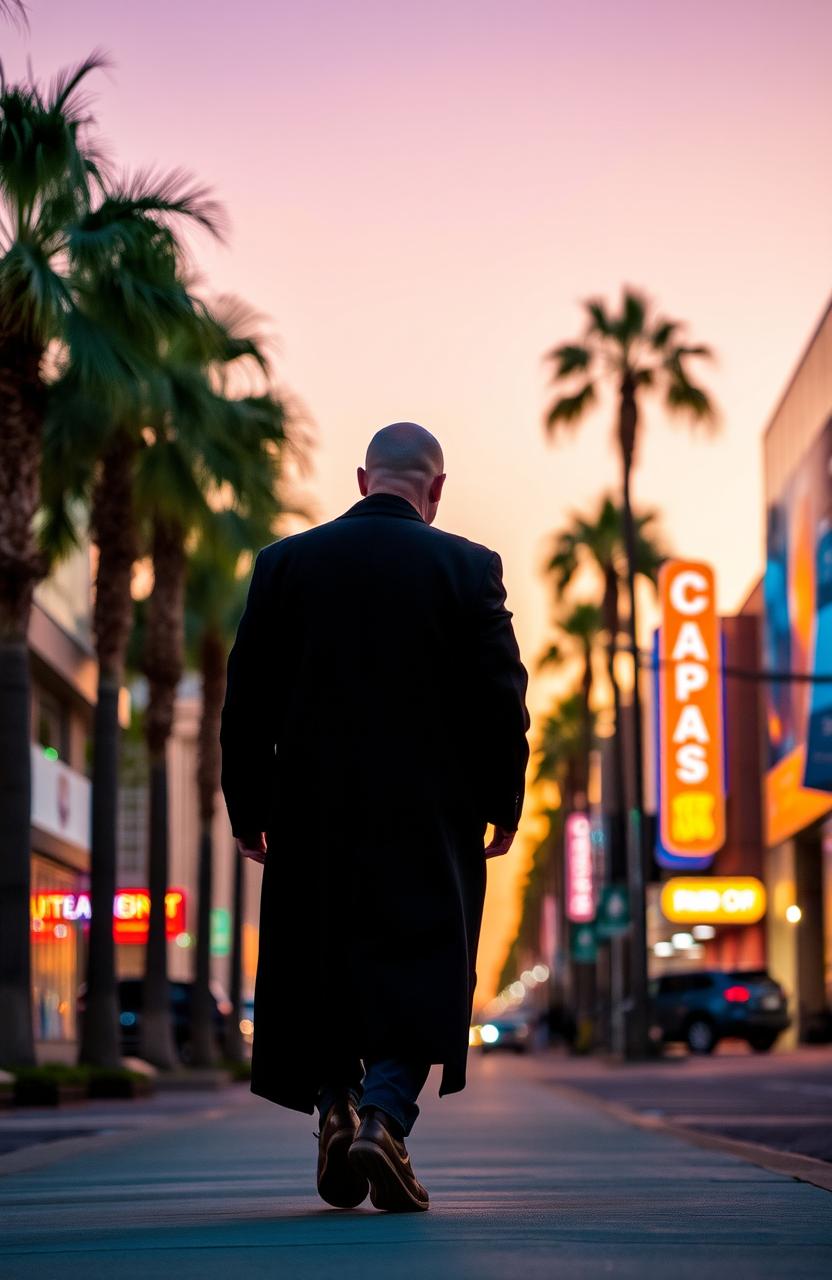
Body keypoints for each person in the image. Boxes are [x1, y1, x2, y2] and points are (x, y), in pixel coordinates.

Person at [221, 422, 529, 1213]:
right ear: (435, 489)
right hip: (431, 809)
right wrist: (503, 802)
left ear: (363, 480)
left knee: (320, 965)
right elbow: (504, 702)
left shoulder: (283, 565)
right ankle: (385, 1117)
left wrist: (249, 809)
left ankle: (335, 1108)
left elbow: (246, 705)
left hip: (312, 807)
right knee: (424, 963)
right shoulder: (469, 566)